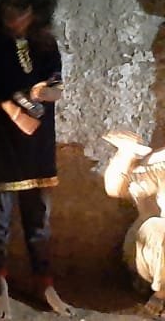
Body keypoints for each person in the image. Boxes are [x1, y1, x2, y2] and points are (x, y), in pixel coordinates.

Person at [0, 0, 71, 319]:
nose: (10, 11)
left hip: (37, 143)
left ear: (36, 12)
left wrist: (42, 93)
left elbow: (57, 88)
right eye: (8, 4)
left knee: (40, 221)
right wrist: (3, 105)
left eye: (20, 7)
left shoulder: (46, 46)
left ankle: (44, 283)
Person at [102, 131, 165, 319]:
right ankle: (161, 296)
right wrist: (126, 154)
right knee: (158, 227)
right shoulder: (160, 165)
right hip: (152, 261)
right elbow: (115, 189)